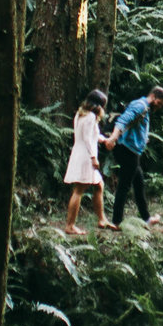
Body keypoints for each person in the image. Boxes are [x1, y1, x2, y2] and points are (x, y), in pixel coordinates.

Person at [103, 86, 163, 228]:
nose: (160, 106)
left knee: (138, 184)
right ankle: (116, 221)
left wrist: (143, 138)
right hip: (127, 150)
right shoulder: (140, 105)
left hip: (132, 150)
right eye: (160, 102)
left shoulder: (145, 107)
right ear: (154, 97)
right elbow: (123, 121)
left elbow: (135, 126)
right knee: (124, 185)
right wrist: (113, 138)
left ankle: (147, 219)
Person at [62, 90, 111, 236]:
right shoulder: (89, 116)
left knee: (99, 185)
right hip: (86, 155)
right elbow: (88, 139)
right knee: (79, 190)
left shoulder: (81, 114)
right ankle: (70, 225)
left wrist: (105, 140)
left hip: (80, 152)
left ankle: (102, 219)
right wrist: (93, 158)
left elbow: (93, 135)